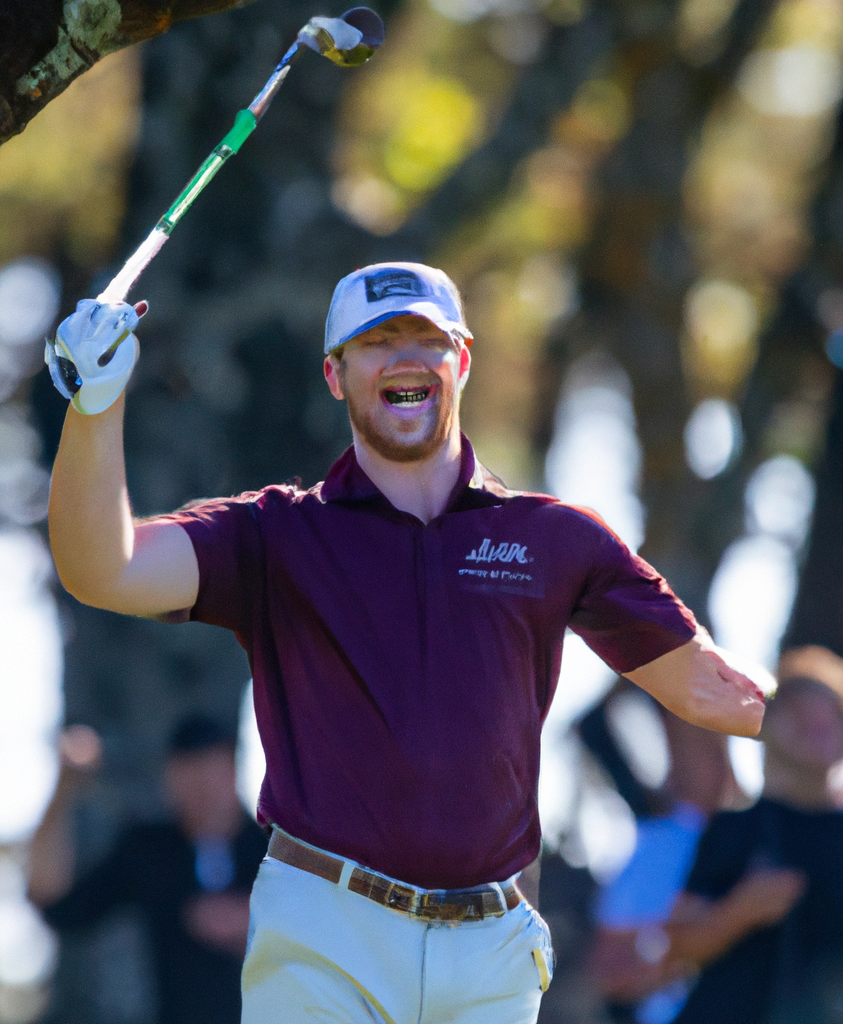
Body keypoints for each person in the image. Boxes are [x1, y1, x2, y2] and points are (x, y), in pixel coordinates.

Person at [44, 262, 766, 1024]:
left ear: (461, 360)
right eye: (377, 340)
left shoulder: (554, 539)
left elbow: (709, 689)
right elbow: (105, 569)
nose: (404, 357)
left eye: (425, 337)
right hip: (327, 930)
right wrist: (97, 405)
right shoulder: (274, 535)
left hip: (492, 951)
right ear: (335, 373)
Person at [27, 715, 268, 1024]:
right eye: (189, 770)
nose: (204, 786)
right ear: (170, 778)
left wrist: (256, 921)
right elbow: (56, 904)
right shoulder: (150, 851)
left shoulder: (276, 850)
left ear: (233, 770)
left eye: (213, 769)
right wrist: (63, 788)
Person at [661, 645, 843, 1024]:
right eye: (799, 712)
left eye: (829, 713)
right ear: (771, 727)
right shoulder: (735, 827)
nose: (816, 724)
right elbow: (677, 946)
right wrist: (740, 911)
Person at [590, 703, 741, 1024]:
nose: (713, 757)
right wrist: (719, 931)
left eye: (717, 744)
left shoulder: (767, 832)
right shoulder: (660, 843)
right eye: (698, 743)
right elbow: (612, 975)